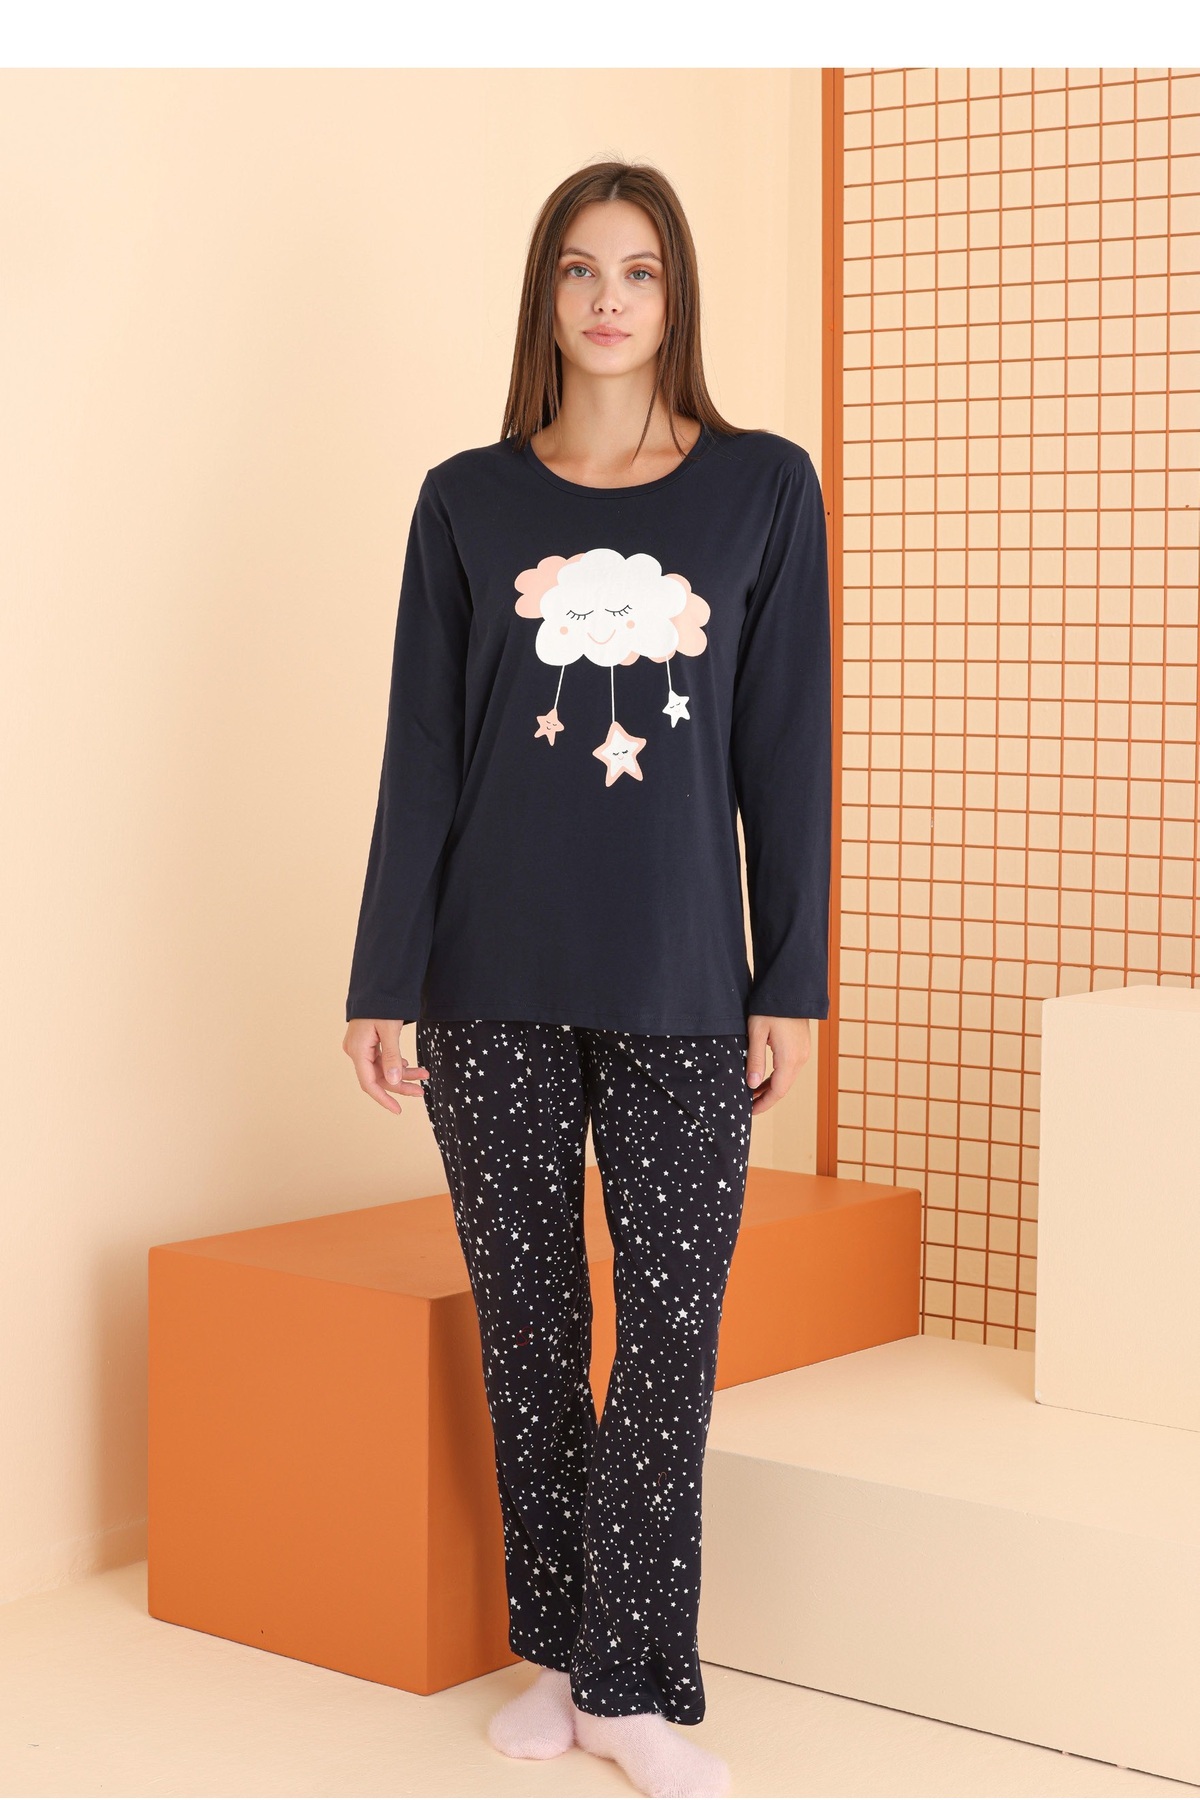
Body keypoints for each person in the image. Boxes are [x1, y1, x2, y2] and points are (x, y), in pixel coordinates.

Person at [342, 158, 831, 1800]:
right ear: (544, 296)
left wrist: (788, 979)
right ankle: (562, 1655)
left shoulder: (761, 488)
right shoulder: (465, 502)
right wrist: (381, 976)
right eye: (577, 268)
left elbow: (786, 751)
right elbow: (422, 756)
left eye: (638, 270)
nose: (608, 298)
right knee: (532, 1328)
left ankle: (630, 1683)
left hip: (686, 982)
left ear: (674, 295)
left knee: (671, 1331)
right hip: (488, 976)